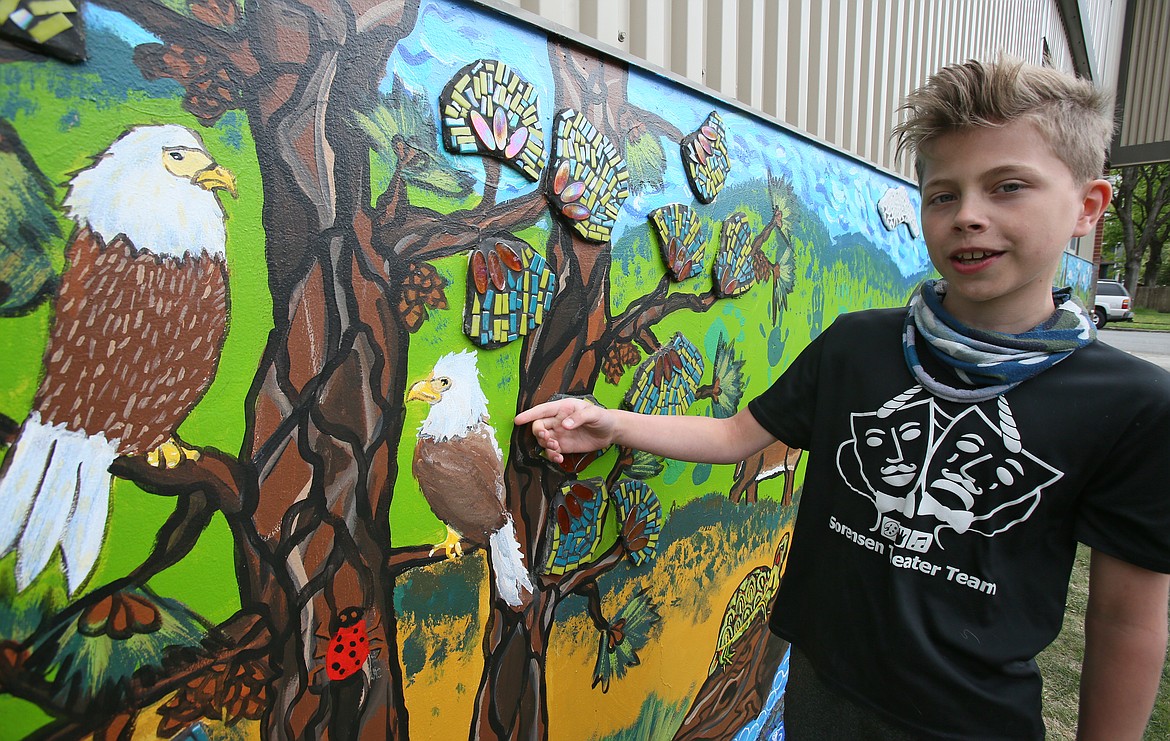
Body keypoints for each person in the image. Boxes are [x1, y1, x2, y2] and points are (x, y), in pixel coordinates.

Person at [515, 57, 1170, 740]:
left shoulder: (1130, 404)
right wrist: (610, 423)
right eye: (943, 194)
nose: (969, 216)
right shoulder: (858, 346)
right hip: (824, 691)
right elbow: (739, 433)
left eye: (1008, 187)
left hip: (971, 720)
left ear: (1088, 208)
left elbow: (1126, 618)